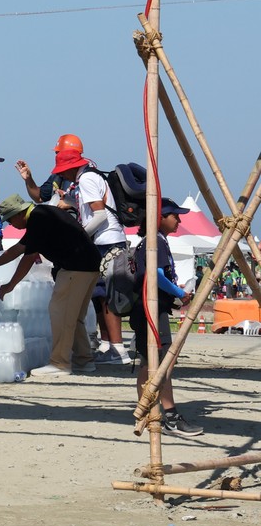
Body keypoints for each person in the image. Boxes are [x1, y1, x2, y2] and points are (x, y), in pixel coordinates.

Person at [20, 135, 131, 366]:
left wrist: (79, 235)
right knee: (101, 295)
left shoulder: (88, 180)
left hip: (105, 241)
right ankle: (109, 349)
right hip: (105, 240)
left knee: (105, 296)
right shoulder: (87, 178)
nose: (62, 175)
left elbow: (99, 215)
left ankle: (117, 349)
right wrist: (68, 199)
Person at [0, 195, 101, 377]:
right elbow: (18, 249)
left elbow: (28, 258)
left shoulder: (38, 218)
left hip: (75, 268)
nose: (11, 225)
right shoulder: (43, 214)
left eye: (11, 220)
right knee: (73, 317)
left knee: (60, 313)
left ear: (20, 213)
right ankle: (84, 360)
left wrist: (11, 285)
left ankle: (60, 363)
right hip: (89, 266)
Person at [129, 198, 204, 438]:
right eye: (175, 216)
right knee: (163, 363)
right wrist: (180, 293)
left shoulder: (151, 241)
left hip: (146, 308)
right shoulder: (156, 242)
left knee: (148, 362)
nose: (179, 220)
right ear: (159, 217)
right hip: (151, 309)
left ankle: (148, 412)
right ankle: (169, 416)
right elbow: (156, 274)